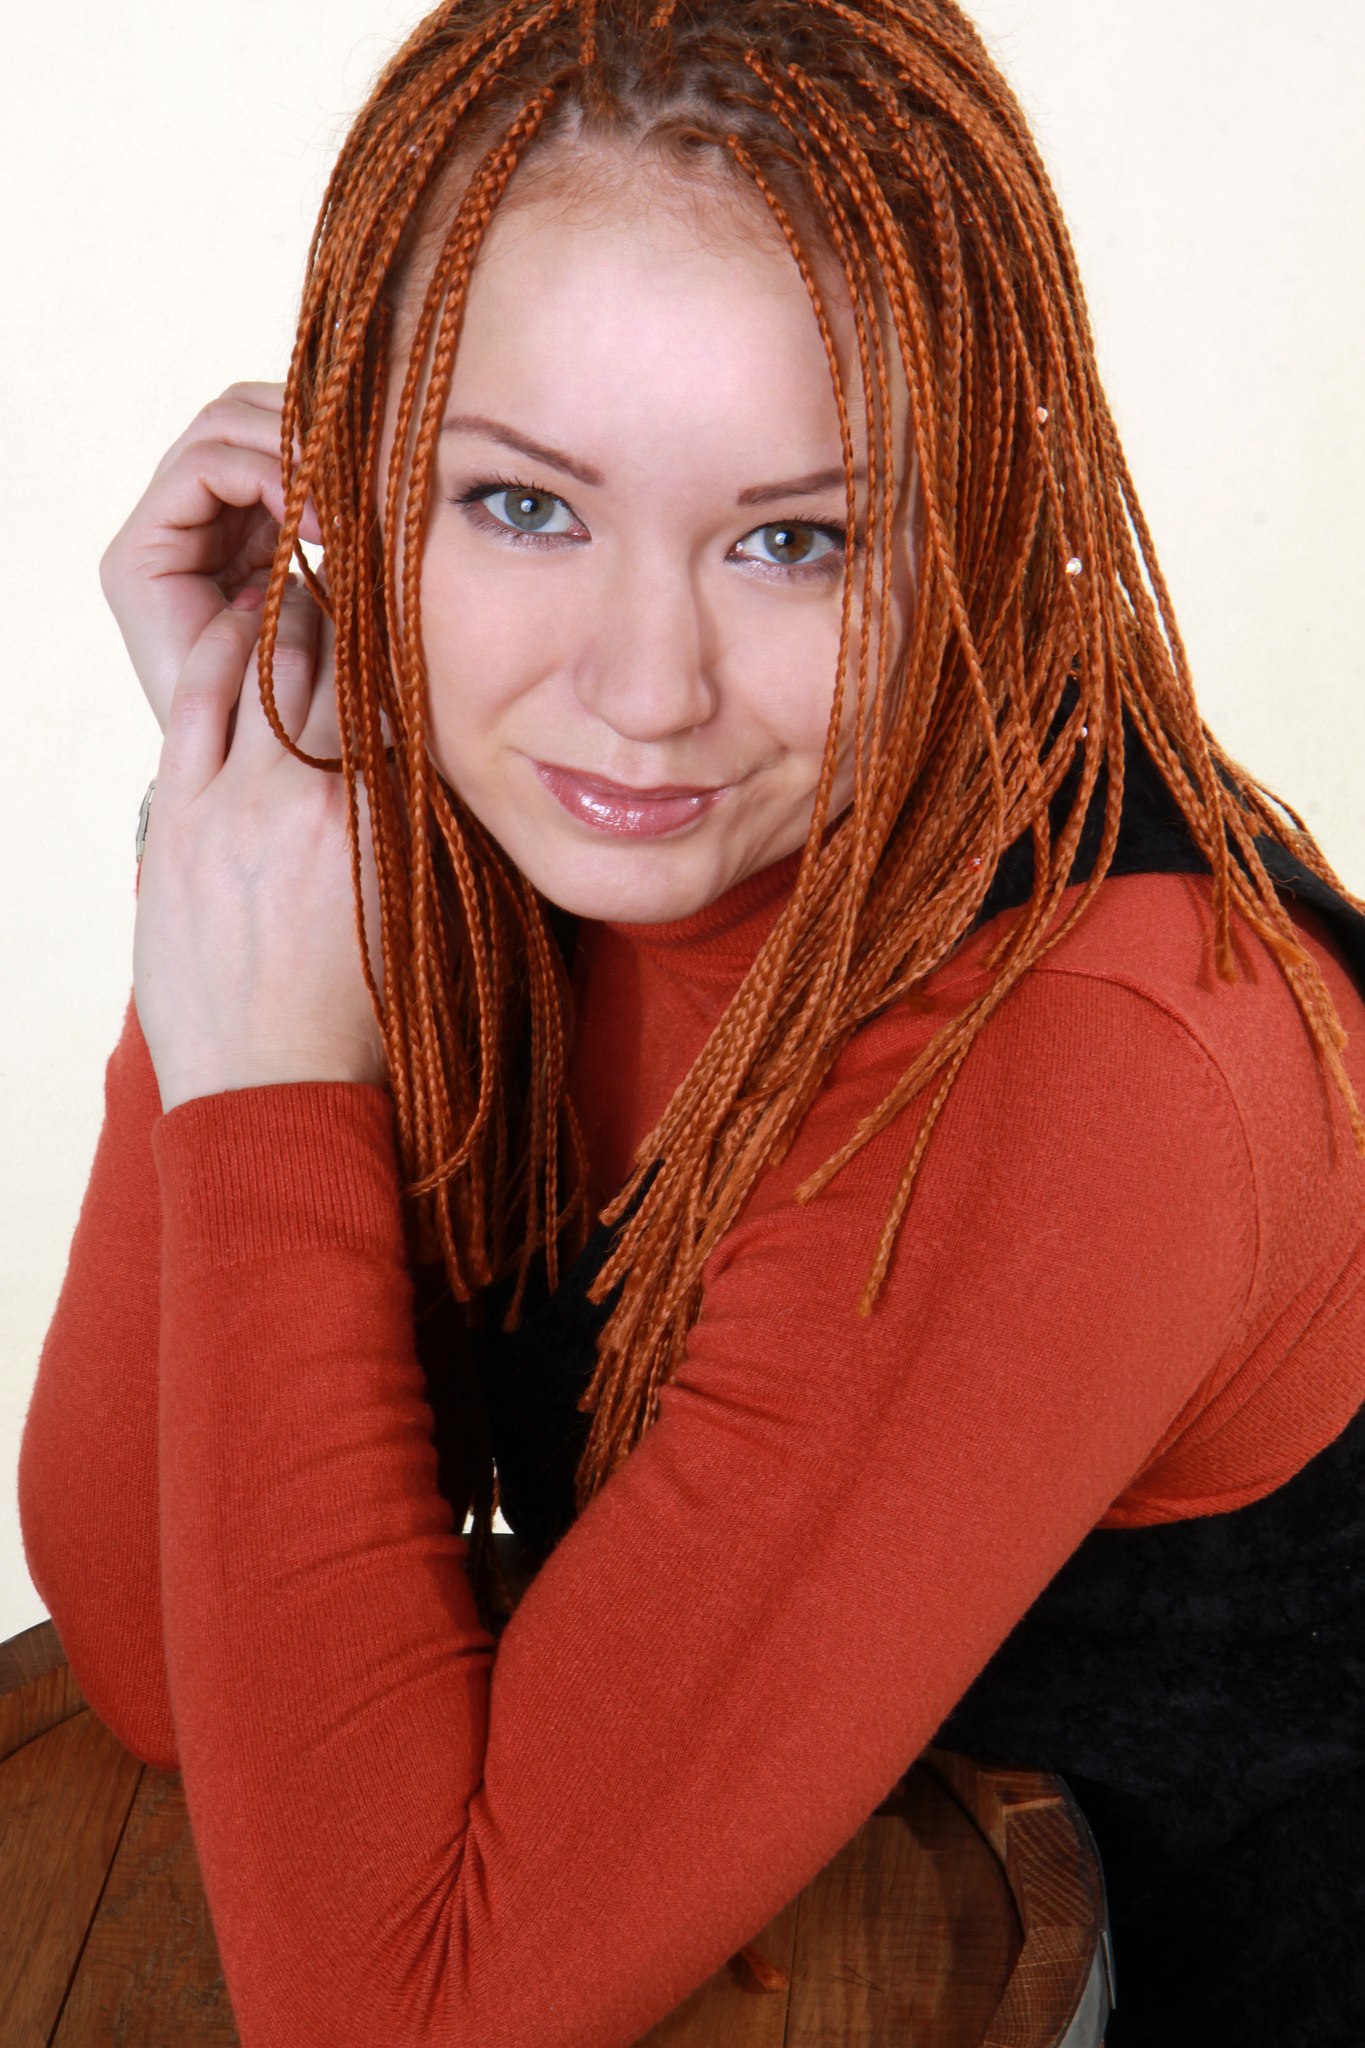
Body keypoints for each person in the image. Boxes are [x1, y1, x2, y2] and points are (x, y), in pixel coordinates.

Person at [17, 0, 1365, 2042]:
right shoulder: (495, 819)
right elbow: (154, 1660)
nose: (643, 692)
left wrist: (270, 1067)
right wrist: (247, 800)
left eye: (793, 540)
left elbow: (396, 2017)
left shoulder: (1097, 1054)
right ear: (357, 477)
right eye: (524, 507)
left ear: (971, 513)